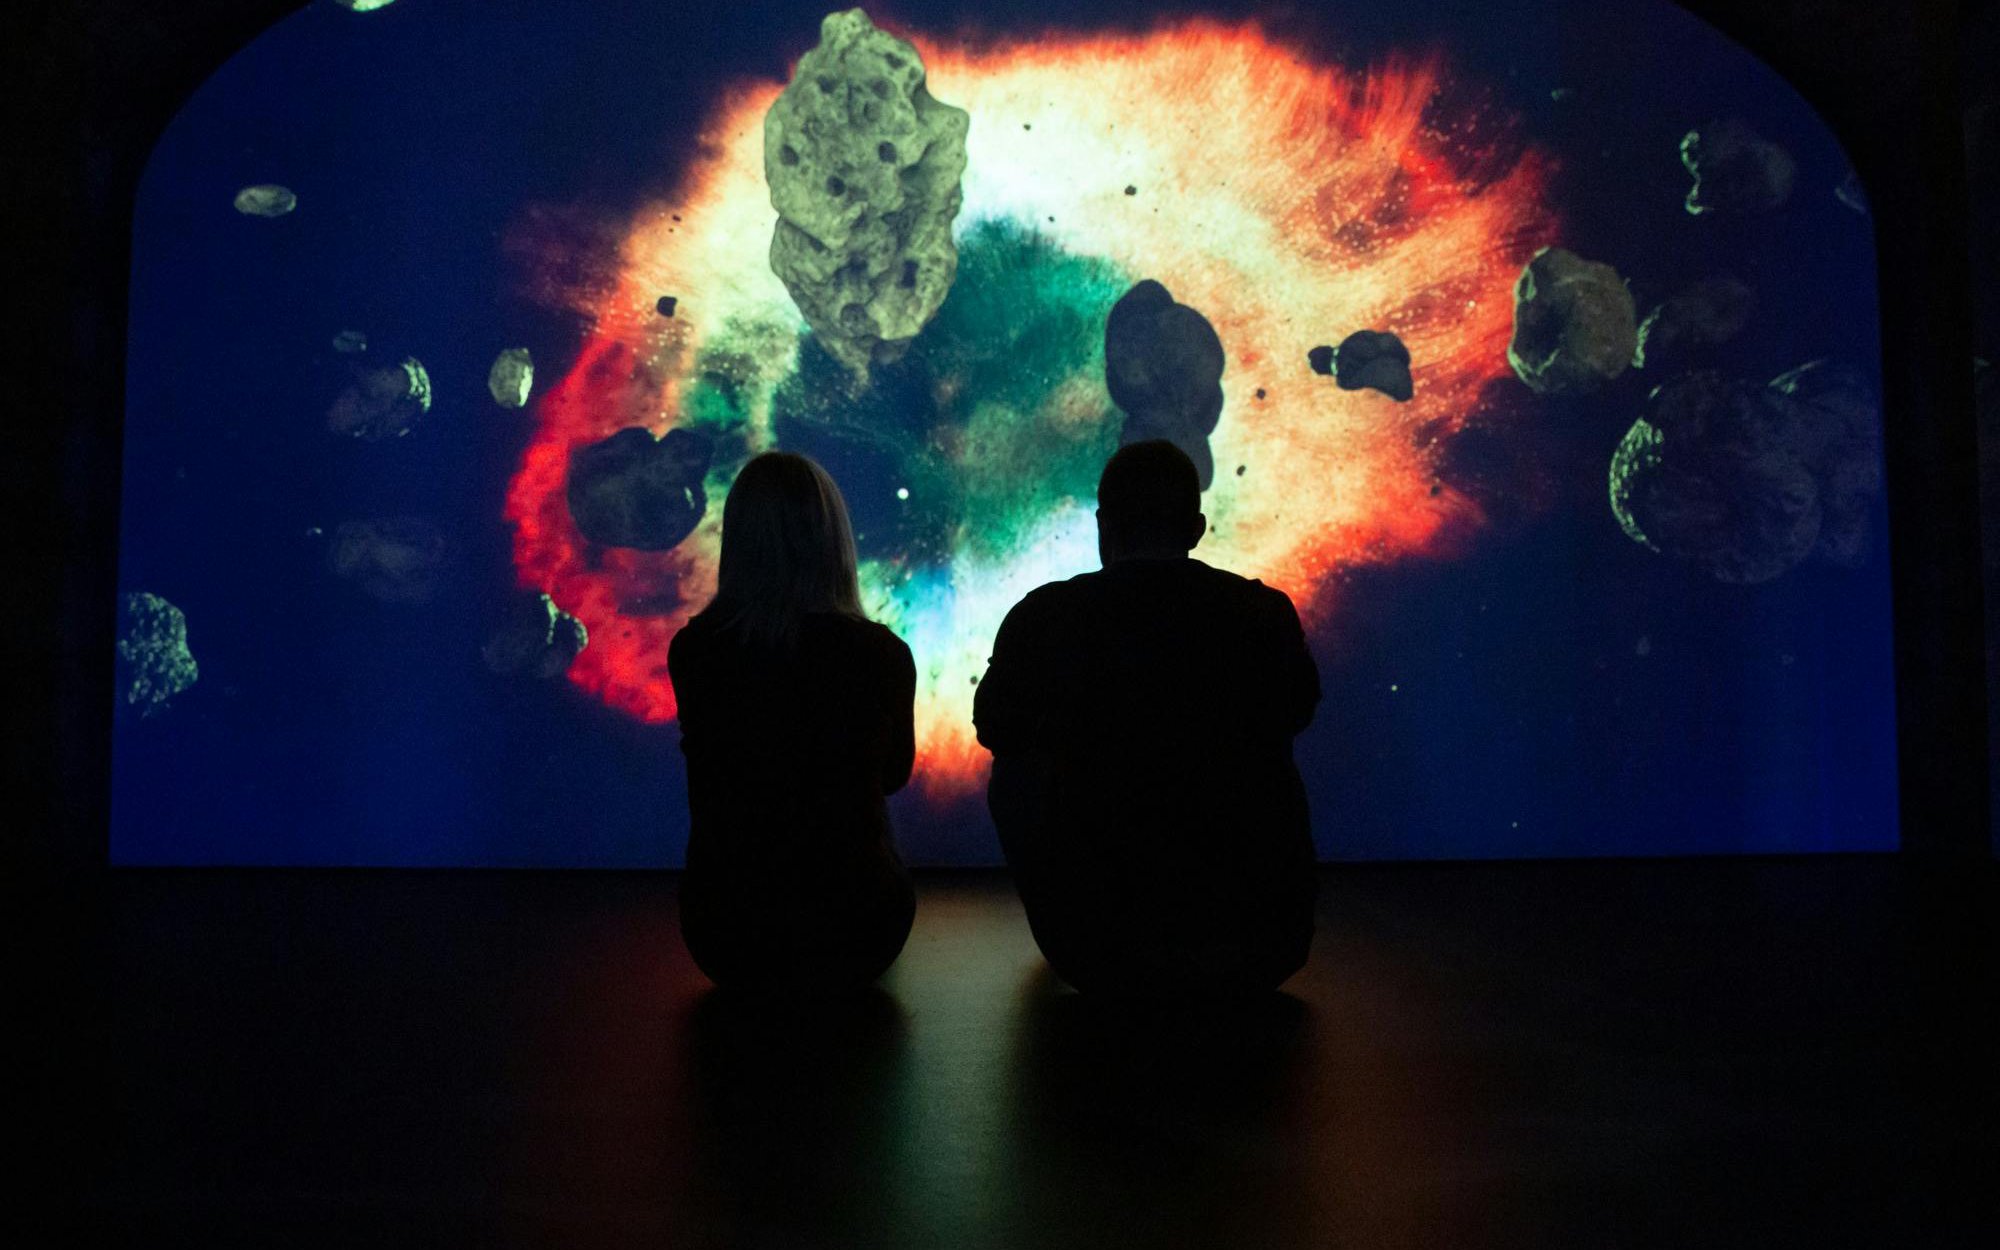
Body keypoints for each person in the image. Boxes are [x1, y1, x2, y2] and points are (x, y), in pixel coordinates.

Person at [973, 440, 1320, 997]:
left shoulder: (1045, 617)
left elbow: (995, 728)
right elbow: (1296, 713)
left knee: (1011, 770)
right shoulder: (1262, 612)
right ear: (1196, 528)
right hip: (1257, 946)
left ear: (1103, 525)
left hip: (1097, 949)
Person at [667, 451, 918, 993]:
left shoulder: (694, 650)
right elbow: (894, 775)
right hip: (860, 929)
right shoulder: (881, 653)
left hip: (724, 933)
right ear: (832, 539)